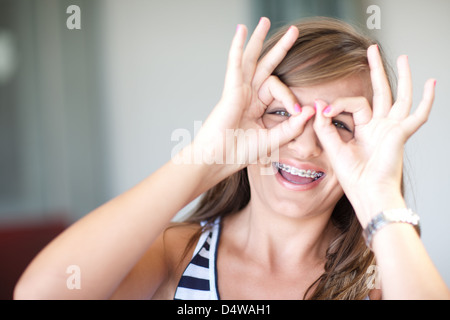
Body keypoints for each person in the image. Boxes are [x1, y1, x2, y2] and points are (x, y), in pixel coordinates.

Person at [14, 17, 449, 300]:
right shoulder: (176, 254)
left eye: (340, 124)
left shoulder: (379, 284)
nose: (305, 145)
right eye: (282, 113)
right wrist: (207, 155)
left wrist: (379, 196)